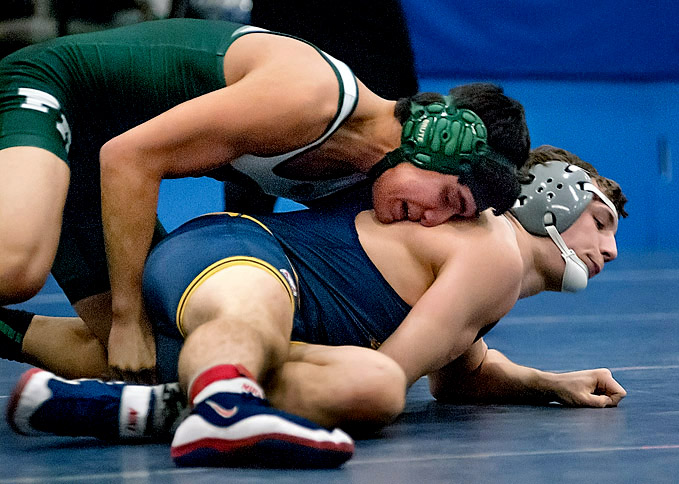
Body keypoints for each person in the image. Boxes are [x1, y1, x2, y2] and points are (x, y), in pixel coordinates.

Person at [8, 146, 628, 469]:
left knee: (218, 352)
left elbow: (459, 376)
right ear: (553, 199)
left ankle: (152, 403)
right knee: (374, 384)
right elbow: (392, 369)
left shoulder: (491, 271)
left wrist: (548, 383)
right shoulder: (493, 252)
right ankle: (216, 406)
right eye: (600, 223)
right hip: (242, 258)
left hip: (231, 292)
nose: (611, 249)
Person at [0, 18, 531, 381]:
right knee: (18, 270)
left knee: (159, 355)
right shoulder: (310, 97)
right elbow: (128, 159)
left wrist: (507, 372)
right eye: (448, 198)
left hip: (95, 158)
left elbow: (447, 314)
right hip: (51, 91)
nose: (434, 220)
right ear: (434, 140)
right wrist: (125, 317)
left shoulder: (357, 176)